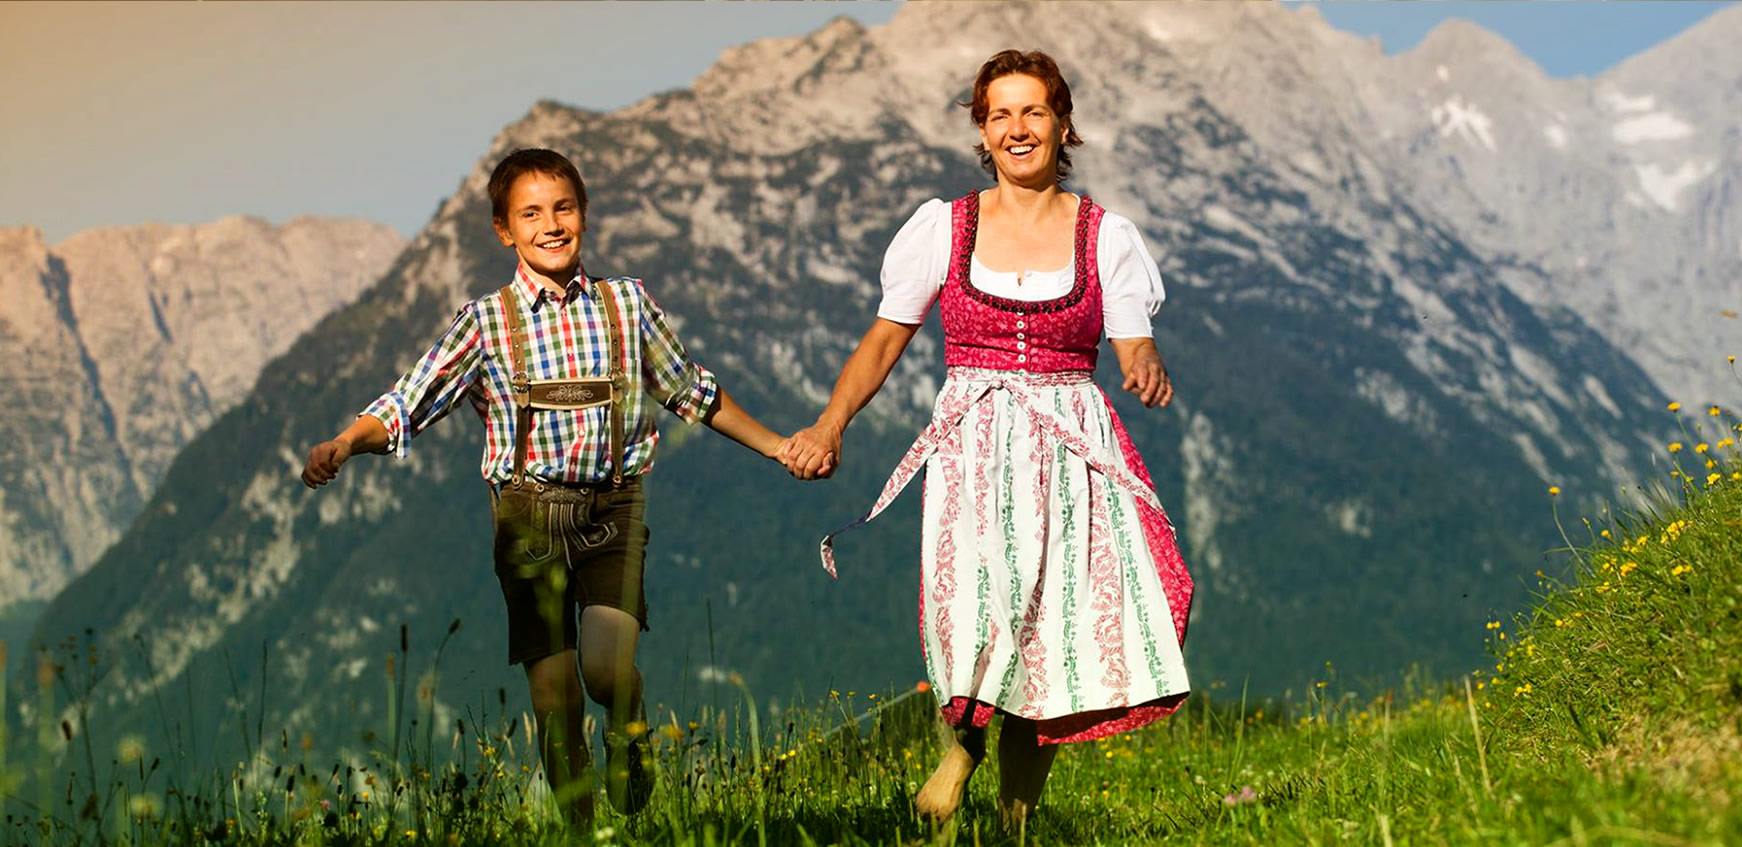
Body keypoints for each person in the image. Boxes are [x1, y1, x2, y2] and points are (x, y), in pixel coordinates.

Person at [300, 149, 790, 826]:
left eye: (563, 208)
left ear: (583, 214)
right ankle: (583, 830)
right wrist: (347, 443)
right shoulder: (486, 322)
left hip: (614, 510)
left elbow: (691, 391)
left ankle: (629, 726)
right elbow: (408, 401)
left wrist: (777, 445)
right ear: (505, 230)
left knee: (606, 669)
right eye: (531, 214)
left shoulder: (626, 304)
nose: (551, 225)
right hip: (526, 519)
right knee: (554, 701)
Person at [779, 49, 1194, 831]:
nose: (1018, 127)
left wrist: (1144, 364)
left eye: (1033, 111)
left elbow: (1132, 338)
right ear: (982, 130)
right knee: (969, 608)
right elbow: (881, 342)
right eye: (1000, 113)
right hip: (973, 440)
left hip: (1070, 441)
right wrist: (829, 424)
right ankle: (963, 749)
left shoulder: (1105, 235)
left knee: (1050, 624)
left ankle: (1015, 819)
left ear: (1062, 124)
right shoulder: (945, 226)